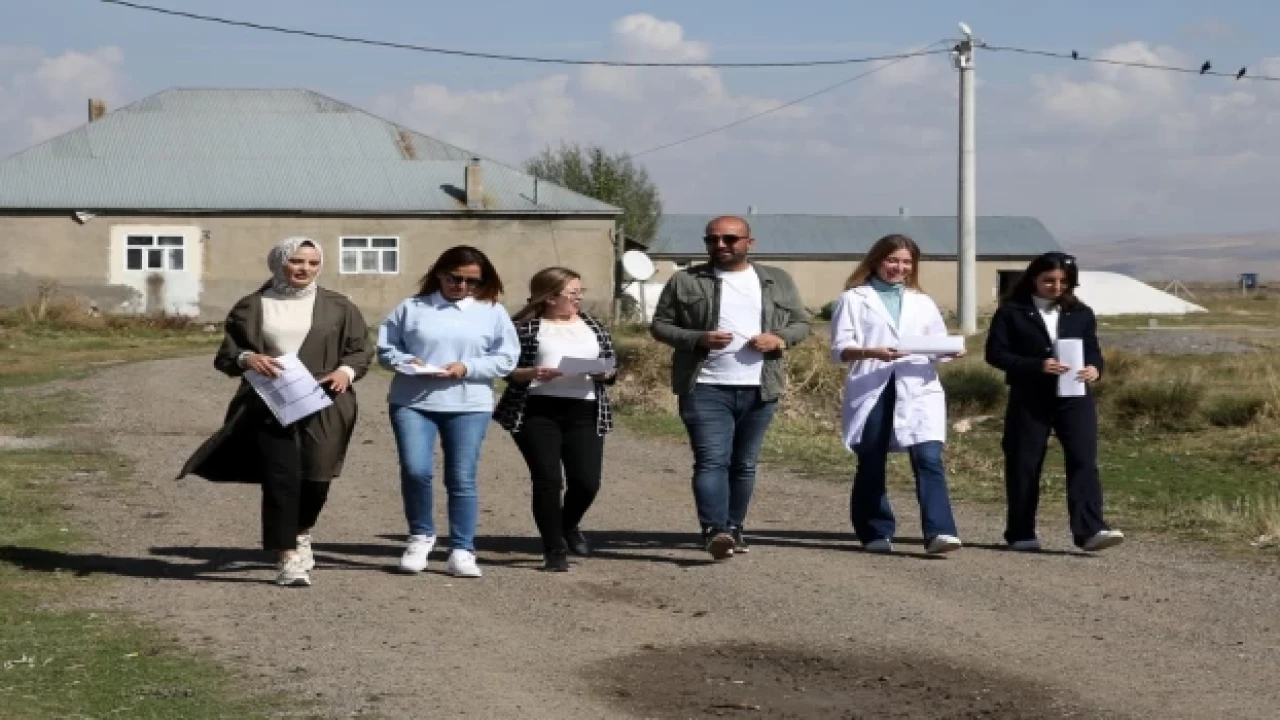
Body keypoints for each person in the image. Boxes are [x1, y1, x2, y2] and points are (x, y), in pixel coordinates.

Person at [179, 237, 372, 587]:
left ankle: (301, 531)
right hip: (269, 402)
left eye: (313, 263)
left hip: (325, 399)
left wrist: (345, 372)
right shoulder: (251, 306)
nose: (305, 269)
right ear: (279, 263)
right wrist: (247, 358)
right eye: (296, 261)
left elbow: (360, 350)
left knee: (318, 476)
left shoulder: (339, 306)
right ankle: (287, 557)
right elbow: (226, 356)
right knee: (281, 478)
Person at [650, 215, 811, 560]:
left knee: (744, 464)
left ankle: (734, 527)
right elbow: (660, 325)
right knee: (712, 461)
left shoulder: (776, 280)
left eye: (729, 239)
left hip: (760, 388)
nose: (720, 245)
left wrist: (779, 339)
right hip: (704, 386)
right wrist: (698, 338)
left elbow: (802, 323)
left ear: (749, 243)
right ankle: (714, 530)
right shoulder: (686, 280)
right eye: (712, 240)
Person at [377, 245, 519, 579]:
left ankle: (462, 549)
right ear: (440, 274)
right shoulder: (411, 308)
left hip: (469, 404)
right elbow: (386, 349)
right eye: (455, 278)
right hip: (413, 401)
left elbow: (506, 358)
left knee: (462, 477)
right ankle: (420, 536)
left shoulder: (493, 312)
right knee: (416, 470)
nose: (462, 286)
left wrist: (467, 367)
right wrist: (406, 361)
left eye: (472, 281)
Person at [829, 234, 963, 555]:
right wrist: (871, 351)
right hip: (874, 385)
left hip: (918, 388)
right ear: (876, 260)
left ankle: (940, 531)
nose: (899, 268)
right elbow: (840, 350)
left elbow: (936, 342)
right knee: (872, 459)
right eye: (892, 260)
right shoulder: (853, 299)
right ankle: (875, 530)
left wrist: (949, 351)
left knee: (928, 457)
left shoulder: (922, 301)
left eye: (906, 262)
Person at [984, 251, 1125, 553]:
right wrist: (1036, 365)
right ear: (1034, 278)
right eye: (1049, 280)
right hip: (1029, 397)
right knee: (1024, 463)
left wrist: (1095, 368)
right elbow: (995, 354)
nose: (1056, 287)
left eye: (1064, 281)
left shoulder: (1081, 313)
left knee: (1084, 460)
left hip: (1074, 396)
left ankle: (1090, 530)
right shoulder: (1012, 312)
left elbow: (1093, 349)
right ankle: (1021, 532)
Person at [494, 267, 618, 572]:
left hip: (585, 410)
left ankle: (568, 524)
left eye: (580, 292)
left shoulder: (594, 325)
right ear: (550, 297)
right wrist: (532, 372)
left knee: (587, 482)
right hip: (536, 411)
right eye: (572, 293)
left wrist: (605, 372)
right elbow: (505, 370)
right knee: (548, 481)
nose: (579, 298)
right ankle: (554, 549)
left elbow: (612, 365)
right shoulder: (523, 328)